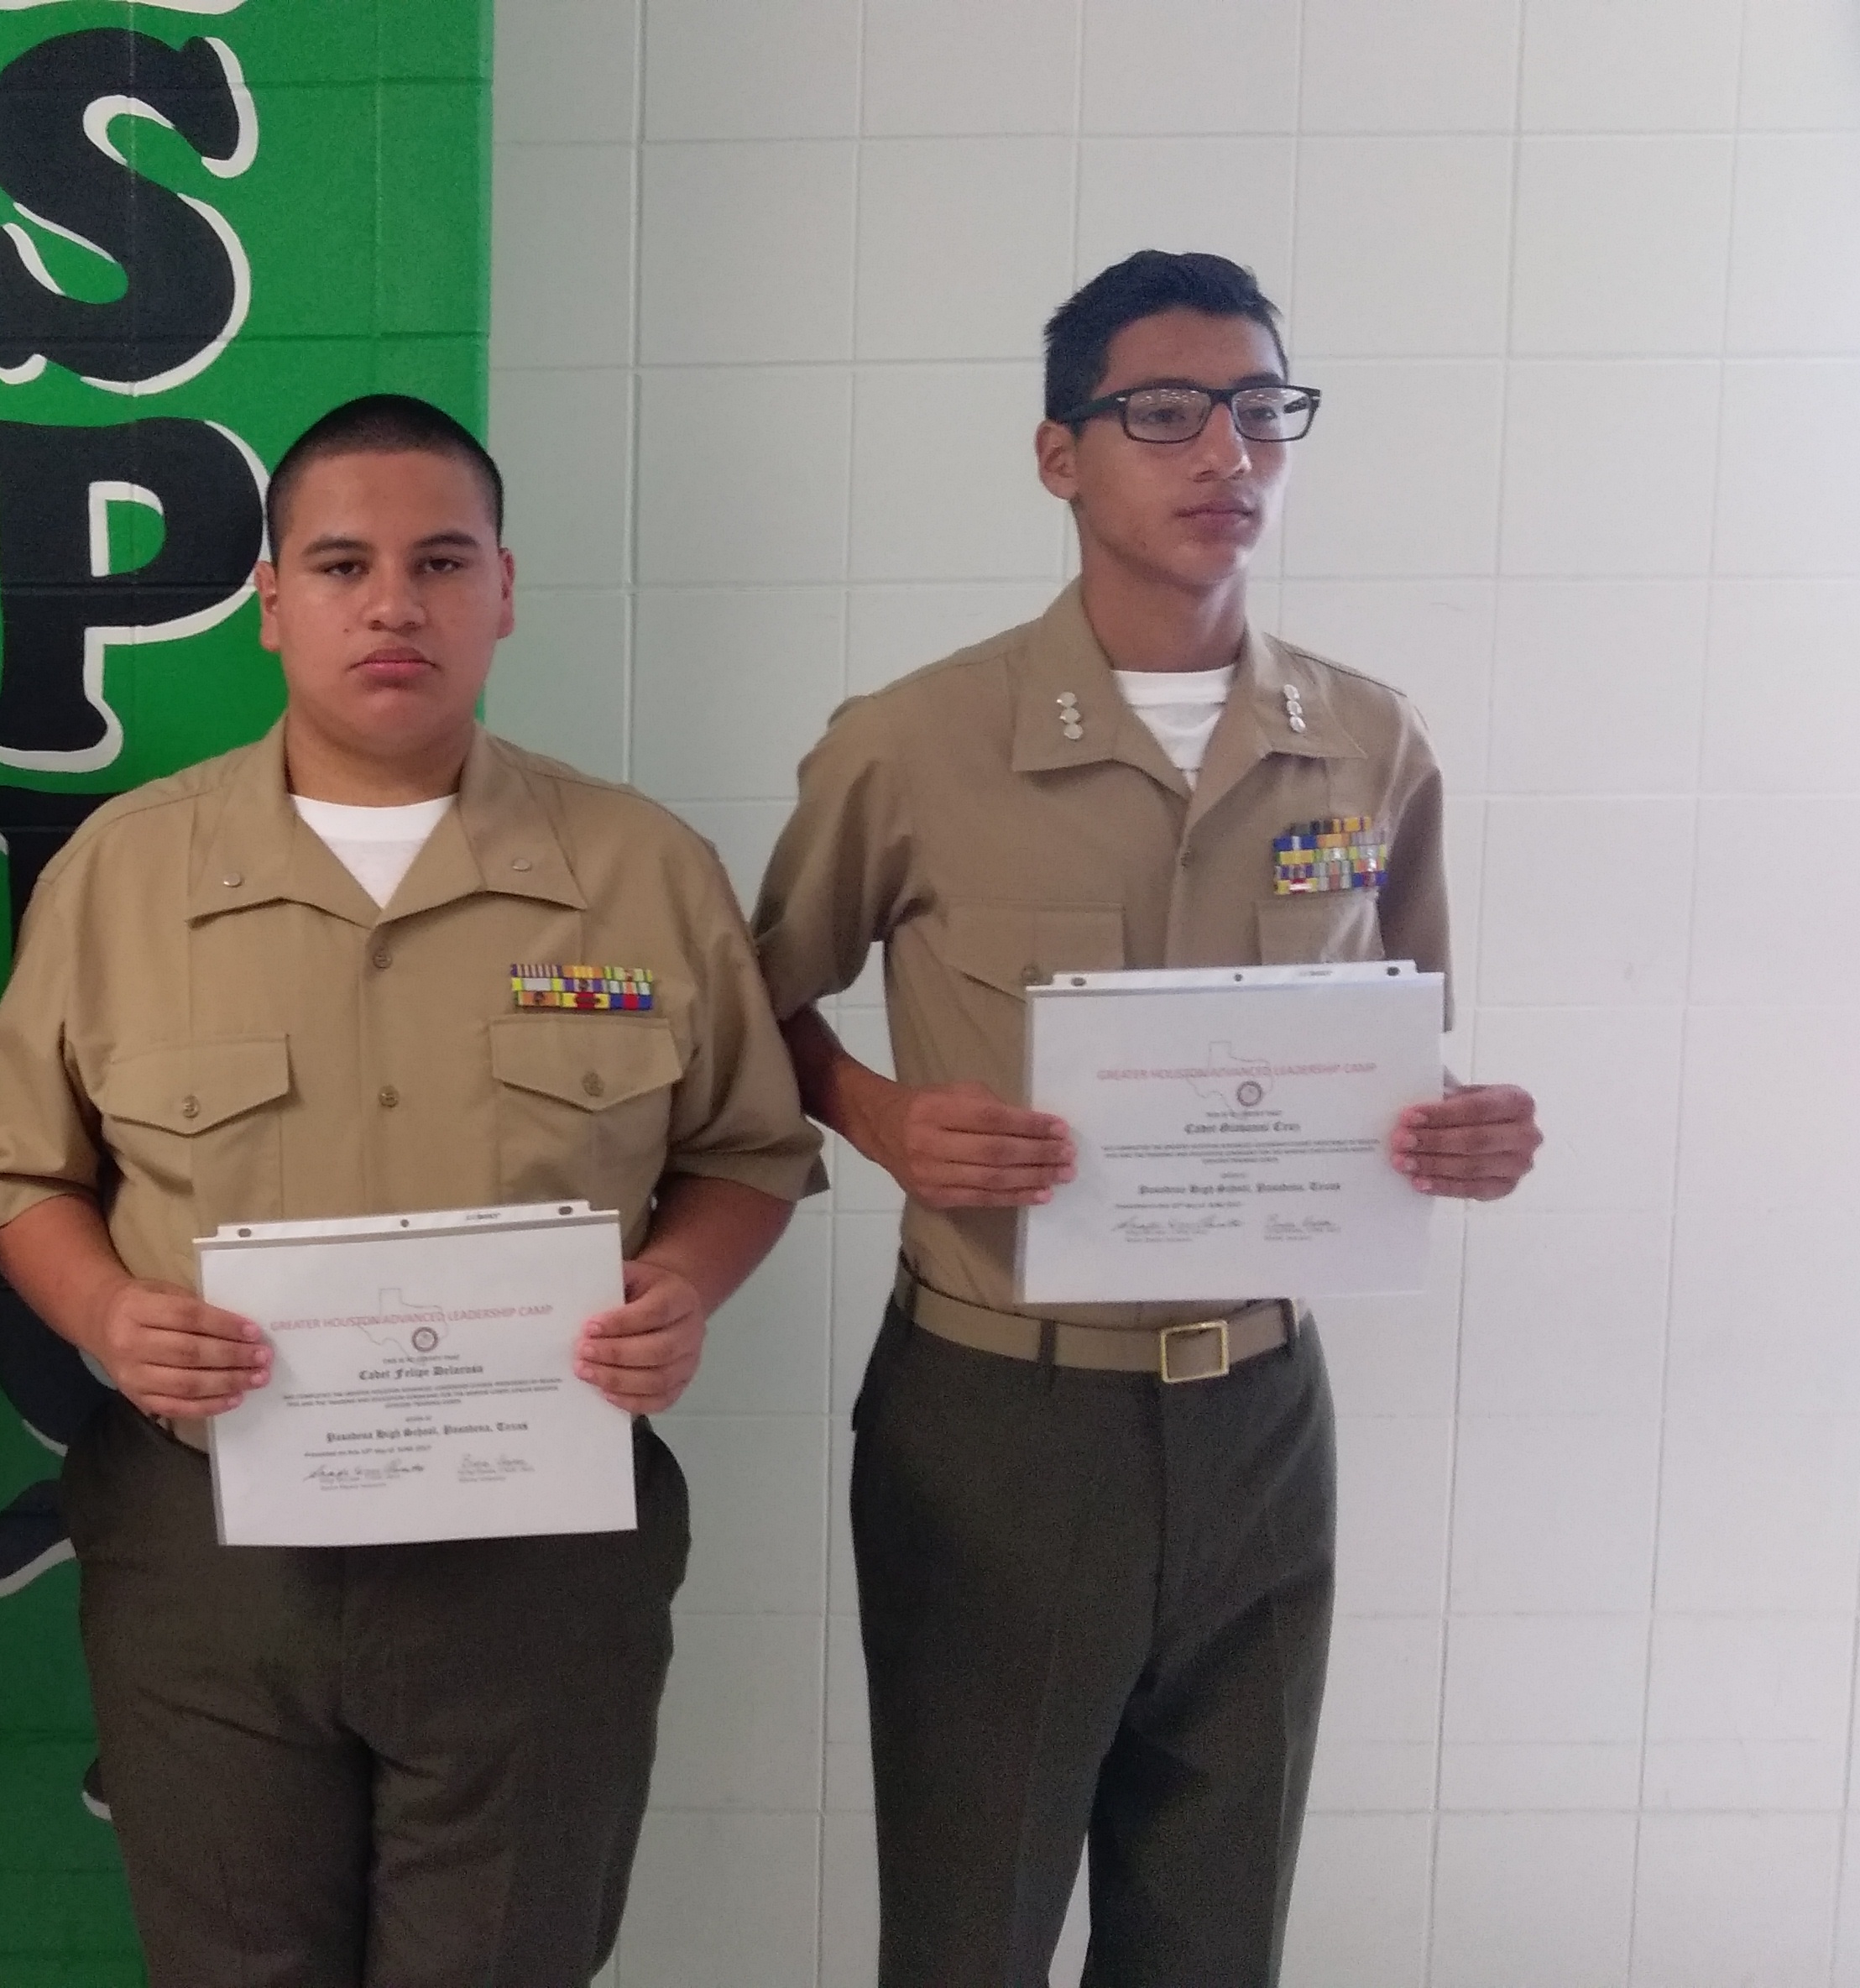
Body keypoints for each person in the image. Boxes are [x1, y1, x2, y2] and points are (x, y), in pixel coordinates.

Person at [749, 249, 1544, 1986]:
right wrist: (881, 1115)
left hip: (1263, 1409)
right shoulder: (912, 743)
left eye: (1263, 411)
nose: (1225, 455)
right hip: (1001, 1414)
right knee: (972, 1924)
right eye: (1165, 413)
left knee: (1212, 1928)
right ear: (1060, 457)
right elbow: (745, 1013)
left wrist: (1458, 1130)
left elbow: (1404, 1031)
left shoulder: (1366, 744)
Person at [0, 393, 823, 1987]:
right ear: (272, 601)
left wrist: (683, 1284)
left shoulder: (644, 870)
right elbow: (16, 1170)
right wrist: (109, 1314)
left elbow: (748, 1152)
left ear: (505, 588)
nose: (394, 604)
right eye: (343, 564)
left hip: (538, 1558)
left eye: (440, 561)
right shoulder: (125, 873)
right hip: (210, 1553)